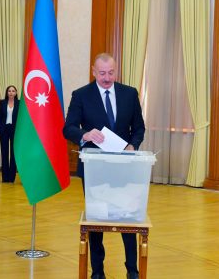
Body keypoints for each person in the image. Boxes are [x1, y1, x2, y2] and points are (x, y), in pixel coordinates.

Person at [63, 53, 145, 279]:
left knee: (127, 218)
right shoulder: (81, 95)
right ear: (93, 70)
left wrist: (132, 145)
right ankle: (97, 271)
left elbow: (139, 127)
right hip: (94, 168)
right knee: (96, 221)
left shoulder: (129, 94)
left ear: (116, 70)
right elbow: (68, 128)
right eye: (102, 73)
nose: (107, 78)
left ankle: (132, 271)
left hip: (124, 166)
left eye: (111, 73)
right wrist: (85, 134)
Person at [0, 85, 19, 183]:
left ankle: (11, 177)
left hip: (15, 131)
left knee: (13, 154)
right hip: (4, 130)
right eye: (9, 91)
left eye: (13, 91)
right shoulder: (2, 102)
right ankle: (5, 177)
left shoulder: (19, 103)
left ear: (16, 93)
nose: (11, 93)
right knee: (4, 154)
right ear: (7, 92)